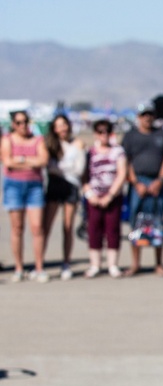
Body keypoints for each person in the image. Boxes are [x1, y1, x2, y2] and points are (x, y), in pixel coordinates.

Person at [122, 101, 163, 277]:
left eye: (150, 114)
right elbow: (126, 160)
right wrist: (135, 182)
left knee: (157, 223)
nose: (147, 118)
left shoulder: (161, 134)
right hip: (138, 182)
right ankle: (135, 263)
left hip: (157, 182)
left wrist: (160, 180)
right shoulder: (130, 136)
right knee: (136, 222)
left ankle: (159, 263)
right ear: (138, 117)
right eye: (144, 115)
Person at [1, 110, 50, 282]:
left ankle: (39, 267)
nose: (23, 125)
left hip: (34, 186)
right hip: (13, 186)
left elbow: (43, 160)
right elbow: (7, 162)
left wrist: (20, 159)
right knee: (17, 228)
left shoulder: (37, 139)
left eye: (25, 121)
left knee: (37, 227)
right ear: (13, 124)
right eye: (19, 122)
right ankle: (19, 267)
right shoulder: (7, 140)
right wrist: (30, 161)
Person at [81, 118, 127, 278]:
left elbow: (122, 173)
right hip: (93, 196)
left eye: (106, 131)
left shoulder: (118, 151)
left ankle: (112, 265)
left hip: (112, 196)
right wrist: (90, 194)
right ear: (95, 134)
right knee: (94, 230)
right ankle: (95, 264)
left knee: (112, 229)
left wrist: (110, 195)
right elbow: (83, 176)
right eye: (100, 132)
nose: (103, 135)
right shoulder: (89, 152)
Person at [42, 113, 86, 280]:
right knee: (46, 226)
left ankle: (66, 262)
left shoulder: (78, 143)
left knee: (67, 227)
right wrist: (65, 168)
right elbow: (48, 166)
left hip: (72, 187)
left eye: (64, 124)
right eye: (58, 125)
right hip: (54, 186)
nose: (62, 128)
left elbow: (79, 169)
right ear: (54, 128)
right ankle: (41, 263)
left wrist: (60, 168)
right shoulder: (51, 145)